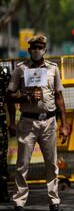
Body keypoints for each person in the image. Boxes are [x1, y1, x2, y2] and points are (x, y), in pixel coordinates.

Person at [6, 35, 68, 211]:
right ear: (28, 50)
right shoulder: (20, 69)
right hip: (27, 122)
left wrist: (64, 123)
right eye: (33, 48)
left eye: (40, 48)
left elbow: (59, 97)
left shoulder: (53, 69)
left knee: (51, 163)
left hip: (48, 121)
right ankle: (19, 202)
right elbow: (9, 96)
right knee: (22, 164)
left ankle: (54, 201)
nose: (36, 51)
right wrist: (24, 97)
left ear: (45, 50)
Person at [0, 65, 12, 203]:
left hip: (0, 121)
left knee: (1, 157)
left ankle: (2, 190)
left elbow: (9, 96)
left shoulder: (2, 73)